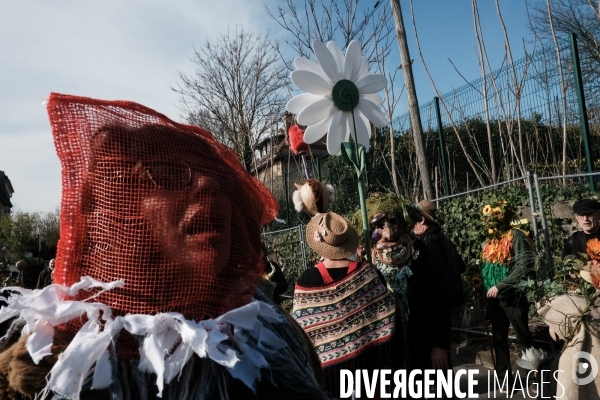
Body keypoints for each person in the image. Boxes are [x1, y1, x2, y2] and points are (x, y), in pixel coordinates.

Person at [0, 93, 327, 400]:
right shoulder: (56, 361)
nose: (211, 185)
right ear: (117, 211)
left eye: (222, 181)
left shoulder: (275, 332)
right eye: (168, 173)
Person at [293, 212, 400, 399]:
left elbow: (301, 331)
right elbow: (388, 314)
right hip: (370, 370)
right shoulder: (366, 273)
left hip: (329, 377)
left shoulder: (306, 280)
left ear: (320, 244)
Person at [365, 195, 453, 375]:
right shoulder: (372, 261)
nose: (388, 230)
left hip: (425, 343)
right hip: (393, 352)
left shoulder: (421, 252)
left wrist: (439, 346)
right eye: (381, 225)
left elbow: (439, 301)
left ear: (404, 222)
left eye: (392, 221)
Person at [481, 199, 534, 386]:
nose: (489, 221)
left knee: (523, 337)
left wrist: (501, 285)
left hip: (512, 295)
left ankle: (533, 379)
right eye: (487, 218)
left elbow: (524, 265)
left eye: (493, 217)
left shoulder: (516, 236)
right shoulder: (491, 241)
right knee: (499, 339)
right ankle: (504, 380)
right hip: (493, 297)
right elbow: (490, 266)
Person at [413, 199, 466, 310]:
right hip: (453, 298)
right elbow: (461, 267)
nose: (412, 225)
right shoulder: (443, 238)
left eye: (414, 220)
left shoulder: (427, 242)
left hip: (440, 301)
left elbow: (436, 274)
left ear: (422, 220)